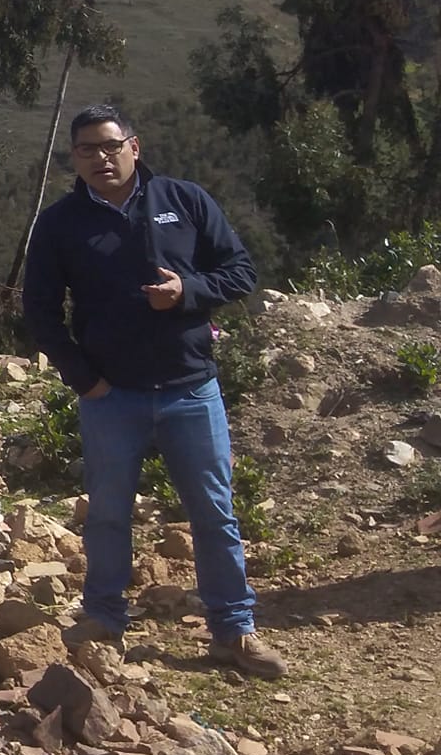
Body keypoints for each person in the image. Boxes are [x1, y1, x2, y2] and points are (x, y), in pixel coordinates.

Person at [22, 104, 285, 679]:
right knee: (109, 515)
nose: (101, 157)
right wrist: (83, 378)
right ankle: (103, 621)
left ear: (134, 147)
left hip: (192, 389)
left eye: (110, 146)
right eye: (87, 149)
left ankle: (234, 632)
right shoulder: (61, 222)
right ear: (75, 158)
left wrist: (187, 291)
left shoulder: (184, 200)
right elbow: (39, 312)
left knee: (214, 514)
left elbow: (239, 271)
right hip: (111, 397)